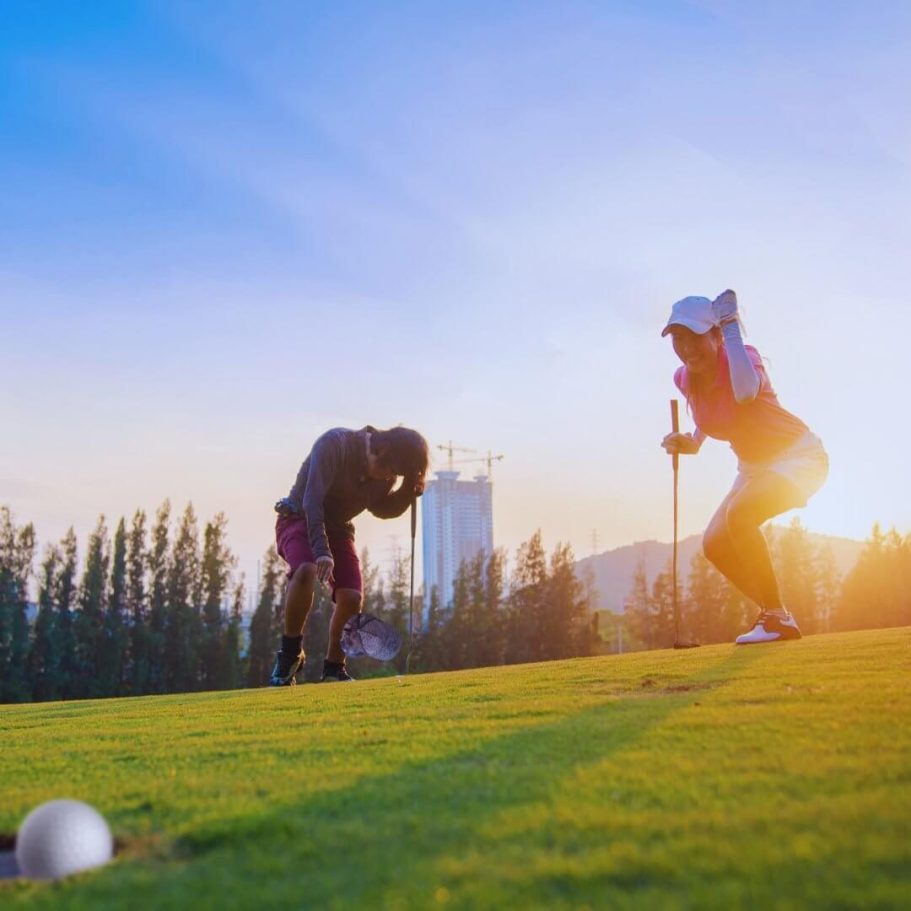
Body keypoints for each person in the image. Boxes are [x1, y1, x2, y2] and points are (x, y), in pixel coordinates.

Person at [660, 290, 828, 644]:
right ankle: (776, 612)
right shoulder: (685, 378)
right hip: (753, 469)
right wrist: (691, 441)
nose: (687, 347)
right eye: (678, 338)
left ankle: (776, 617)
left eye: (695, 336)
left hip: (800, 457)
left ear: (717, 336)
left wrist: (733, 326)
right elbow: (713, 413)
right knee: (715, 544)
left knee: (740, 515)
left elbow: (745, 393)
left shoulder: (744, 357)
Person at [270, 425, 428, 684]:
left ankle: (333, 668)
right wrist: (321, 550)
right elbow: (312, 500)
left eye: (397, 475)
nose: (390, 476)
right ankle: (290, 654)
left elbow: (381, 508)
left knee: (352, 596)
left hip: (338, 528)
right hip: (299, 517)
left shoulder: (386, 476)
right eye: (391, 469)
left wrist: (407, 492)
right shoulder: (335, 444)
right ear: (384, 449)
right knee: (306, 569)